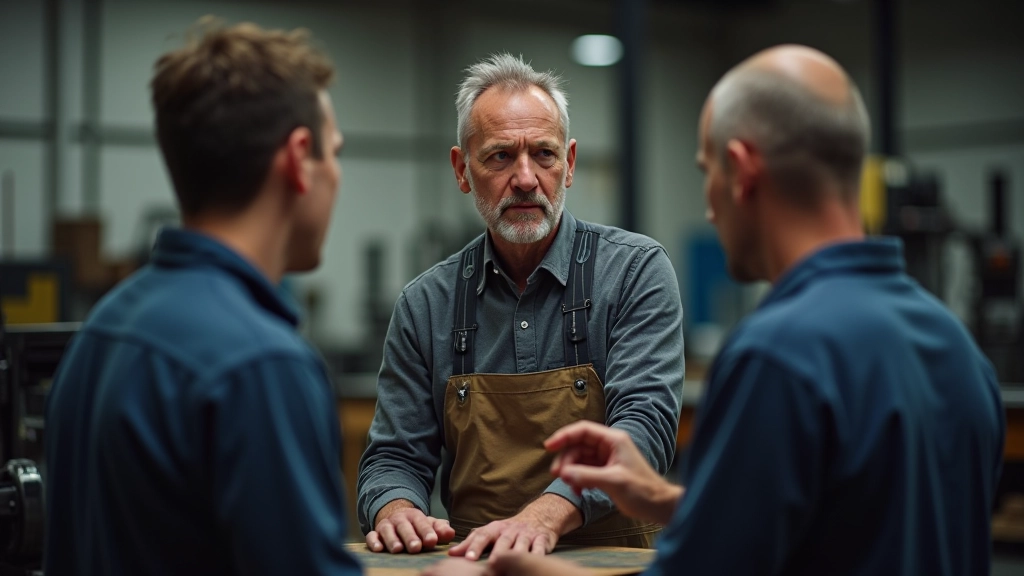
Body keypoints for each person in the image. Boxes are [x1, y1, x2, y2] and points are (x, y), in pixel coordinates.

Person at [422, 43, 1007, 576]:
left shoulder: (779, 357)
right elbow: (842, 526)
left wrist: (501, 570)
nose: (707, 208)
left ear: (743, 171)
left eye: (706, 174)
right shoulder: (956, 350)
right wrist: (663, 499)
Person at [44, 20, 361, 575]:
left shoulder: (103, 329)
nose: (337, 174)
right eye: (333, 154)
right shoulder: (260, 365)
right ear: (298, 158)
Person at [356, 53, 685, 559]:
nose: (527, 178)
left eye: (545, 155)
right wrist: (396, 510)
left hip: (616, 563)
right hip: (477, 565)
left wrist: (543, 517)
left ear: (570, 164)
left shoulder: (635, 272)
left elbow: (645, 428)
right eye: (500, 157)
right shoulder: (426, 305)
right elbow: (394, 455)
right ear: (462, 169)